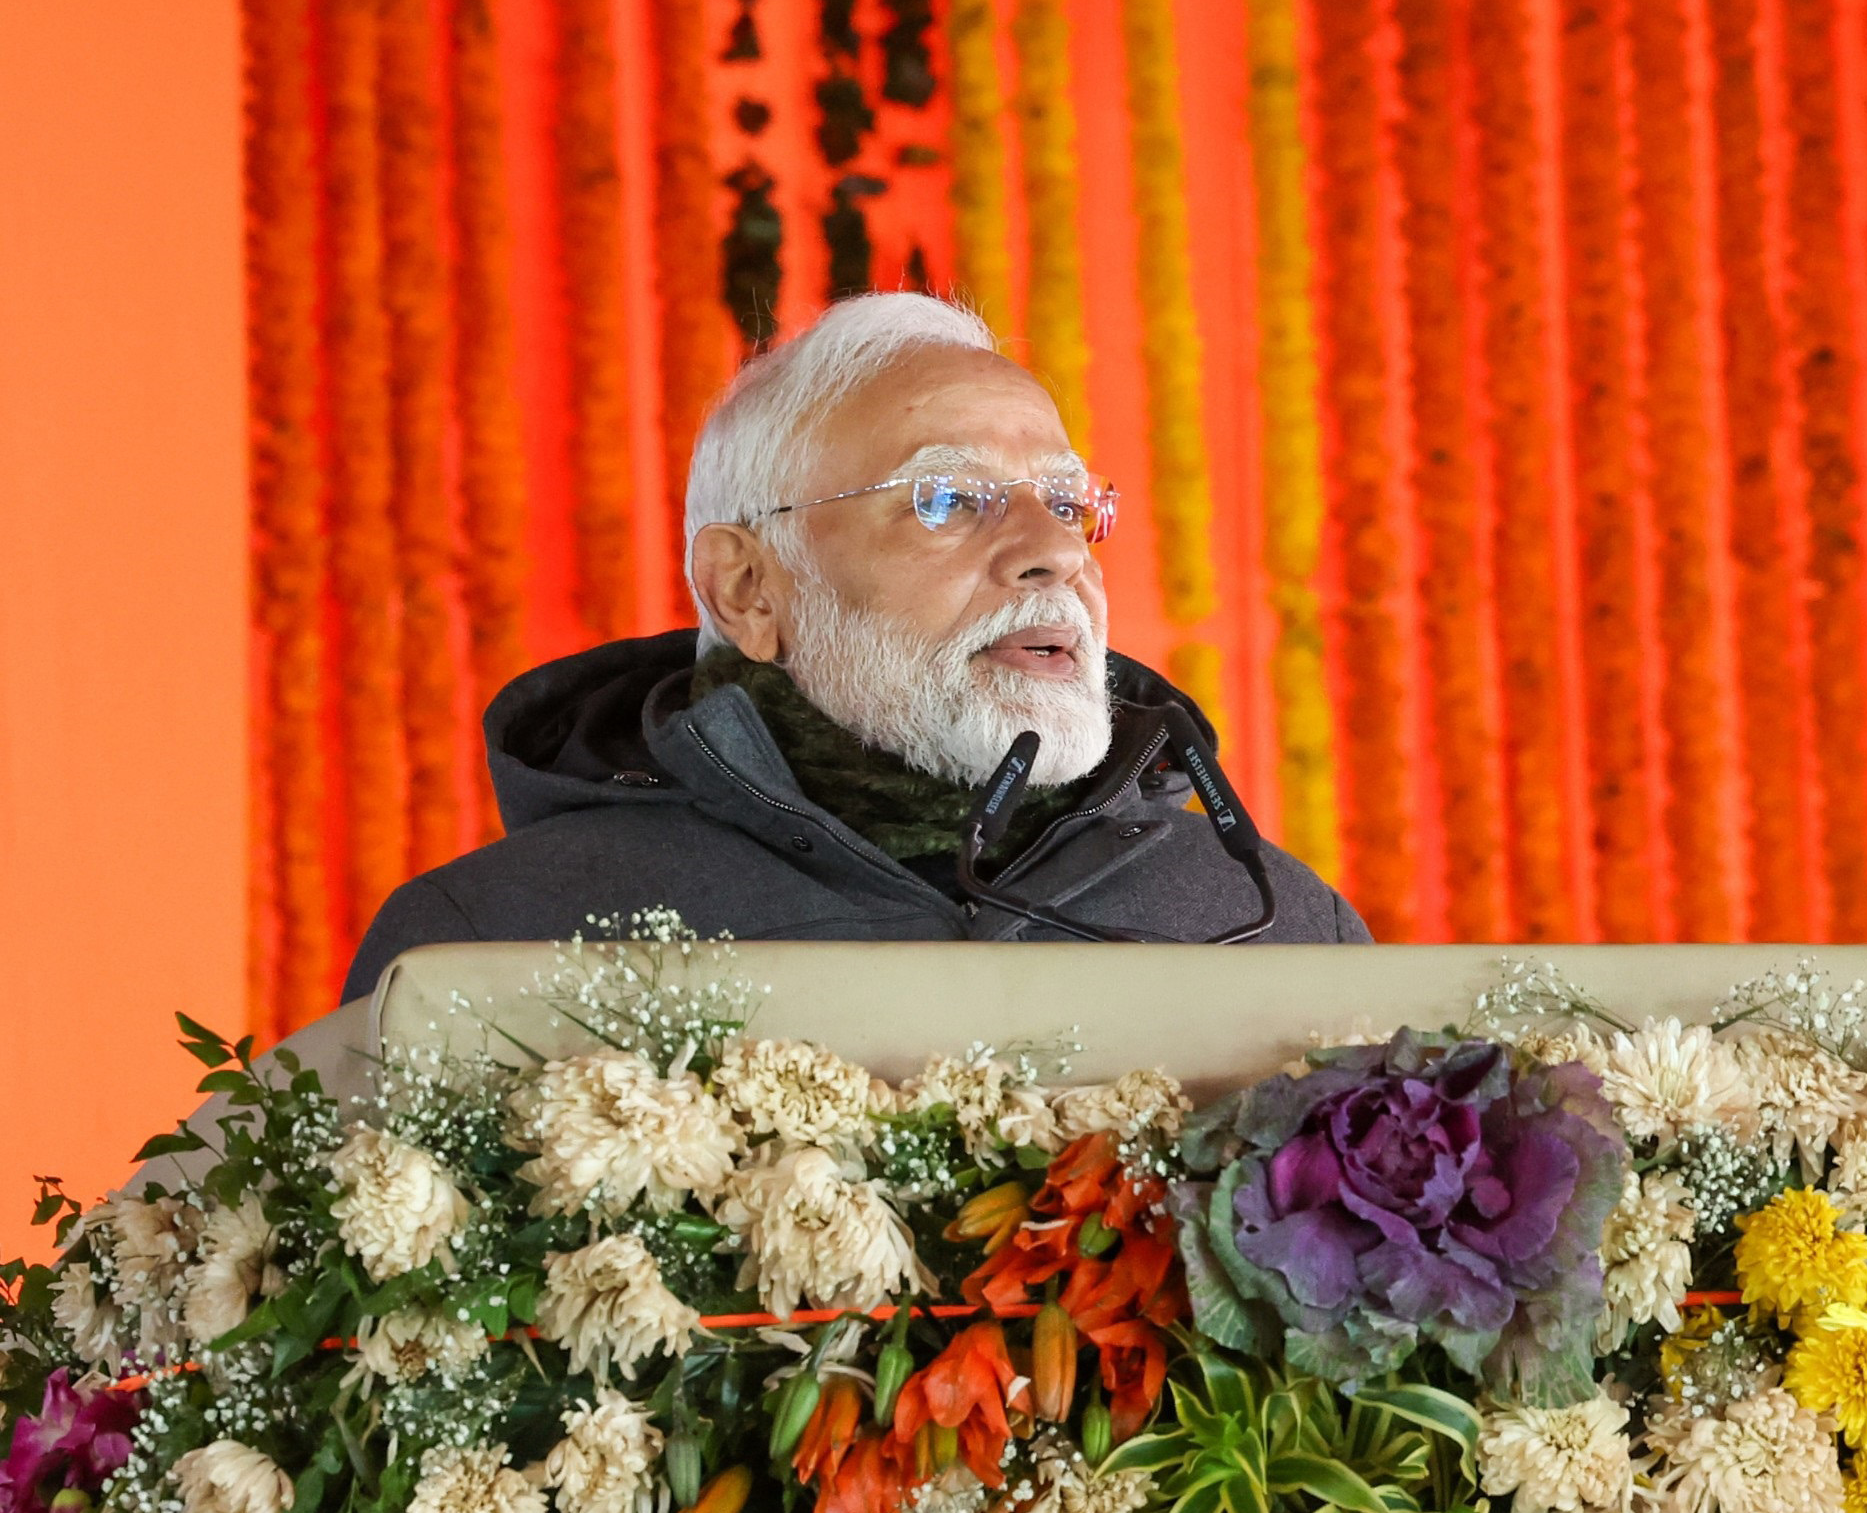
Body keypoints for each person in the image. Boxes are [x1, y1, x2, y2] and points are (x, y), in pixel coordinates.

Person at [343, 293, 1368, 997]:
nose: (1053, 551)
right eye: (949, 499)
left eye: (1066, 501)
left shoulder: (1275, 920)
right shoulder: (490, 936)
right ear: (747, 588)